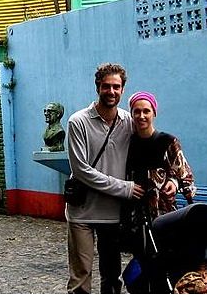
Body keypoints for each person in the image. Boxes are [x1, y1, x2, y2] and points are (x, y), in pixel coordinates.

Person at [66, 63, 144, 294]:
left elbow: (153, 147)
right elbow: (81, 170)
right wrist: (125, 188)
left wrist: (171, 179)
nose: (111, 91)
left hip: (113, 213)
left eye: (116, 87)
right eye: (106, 86)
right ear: (98, 87)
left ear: (123, 89)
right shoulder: (78, 122)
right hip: (83, 211)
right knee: (81, 276)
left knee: (111, 277)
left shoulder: (129, 122)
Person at [122, 91, 195, 292]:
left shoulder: (168, 142)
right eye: (137, 111)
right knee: (144, 264)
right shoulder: (126, 144)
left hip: (164, 217)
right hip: (136, 218)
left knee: (167, 264)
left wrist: (175, 184)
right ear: (131, 114)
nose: (141, 116)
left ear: (154, 112)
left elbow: (185, 175)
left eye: (146, 111)